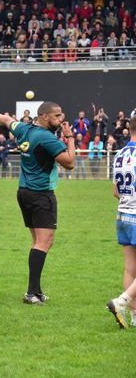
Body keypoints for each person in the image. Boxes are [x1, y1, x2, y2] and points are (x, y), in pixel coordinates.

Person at [0, 101, 75, 304]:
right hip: (41, 194)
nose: (61, 119)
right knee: (44, 242)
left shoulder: (24, 128)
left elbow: (7, 120)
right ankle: (31, 293)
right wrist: (70, 138)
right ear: (45, 116)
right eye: (57, 116)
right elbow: (70, 163)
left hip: (24, 192)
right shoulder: (47, 138)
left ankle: (36, 291)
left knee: (38, 242)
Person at [106, 116, 136, 329]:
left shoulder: (120, 153)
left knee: (130, 268)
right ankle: (121, 302)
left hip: (123, 213)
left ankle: (134, 317)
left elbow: (116, 191)